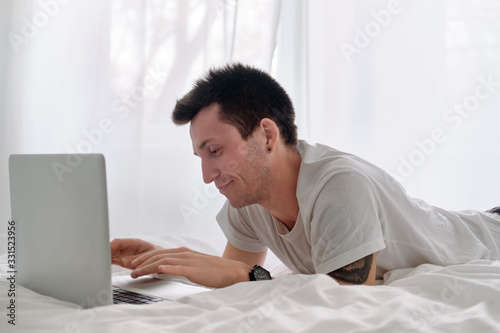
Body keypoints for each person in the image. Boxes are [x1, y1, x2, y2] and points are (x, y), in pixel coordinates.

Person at [111, 63, 500, 288]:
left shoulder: (340, 187)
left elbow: (344, 301)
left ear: (266, 135)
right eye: (200, 156)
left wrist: (252, 275)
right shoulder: (245, 199)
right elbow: (235, 275)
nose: (207, 175)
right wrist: (170, 261)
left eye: (215, 151)